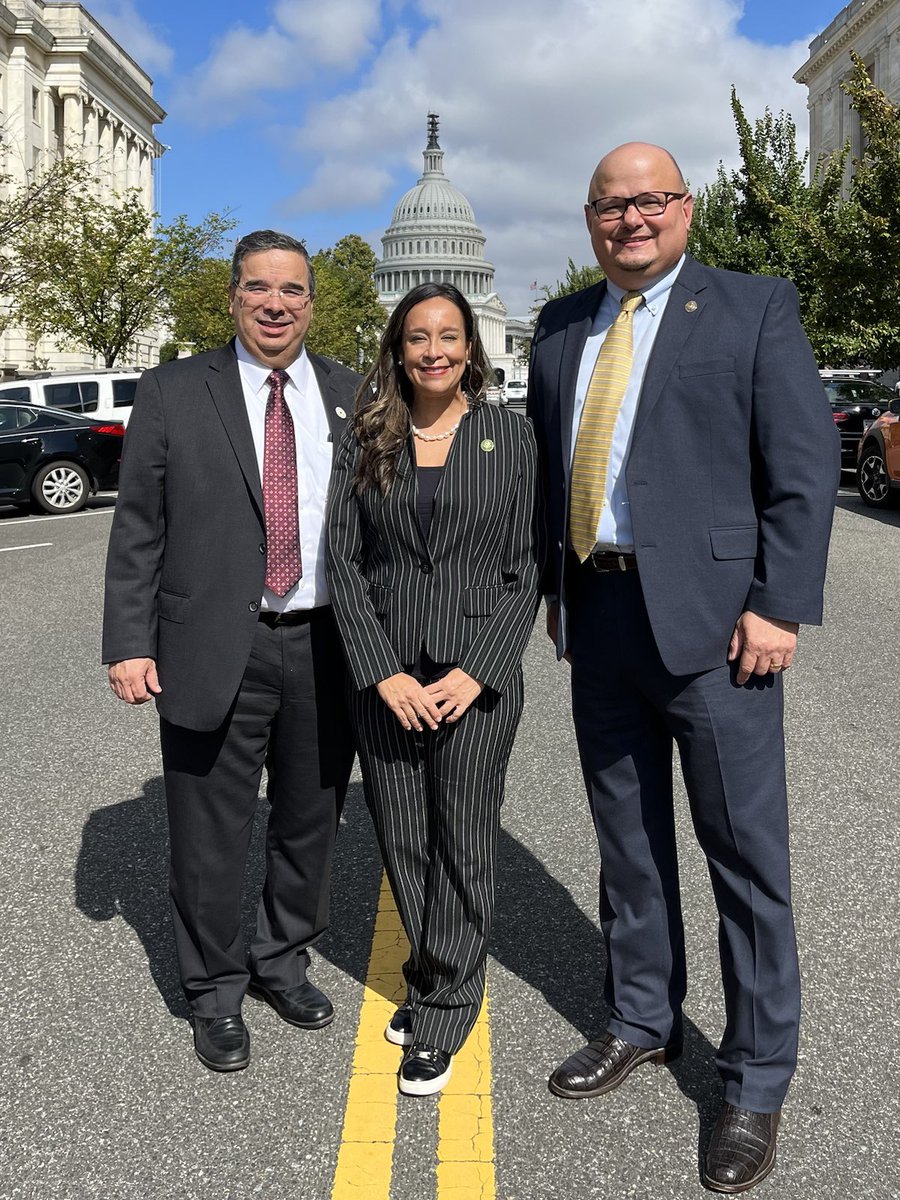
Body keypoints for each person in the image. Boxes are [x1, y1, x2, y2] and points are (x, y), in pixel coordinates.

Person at [527, 144, 839, 1192]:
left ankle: (754, 1079)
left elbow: (800, 469)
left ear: (685, 208)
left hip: (719, 631)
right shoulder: (565, 327)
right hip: (602, 617)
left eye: (649, 201)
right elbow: (545, 472)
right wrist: (560, 595)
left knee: (745, 859)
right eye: (611, 206)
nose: (630, 220)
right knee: (627, 846)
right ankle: (642, 1019)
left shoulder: (752, 308)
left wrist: (780, 605)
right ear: (588, 219)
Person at [102, 230, 359, 1072]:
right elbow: (139, 528)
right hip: (215, 641)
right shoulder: (175, 391)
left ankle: (282, 959)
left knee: (309, 821)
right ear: (233, 298)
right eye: (259, 288)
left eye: (291, 290)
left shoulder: (352, 394)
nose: (275, 304)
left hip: (326, 643)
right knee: (210, 831)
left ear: (311, 303)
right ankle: (213, 988)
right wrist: (128, 642)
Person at [326, 282, 539, 1096]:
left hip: (472, 677)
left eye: (450, 336)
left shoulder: (508, 438)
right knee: (404, 838)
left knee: (465, 838)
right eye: (419, 337)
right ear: (397, 348)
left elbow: (526, 568)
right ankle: (433, 970)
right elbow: (342, 560)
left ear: (472, 347)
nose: (435, 351)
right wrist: (380, 670)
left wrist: (475, 668)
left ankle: (447, 1004)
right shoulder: (369, 436)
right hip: (385, 673)